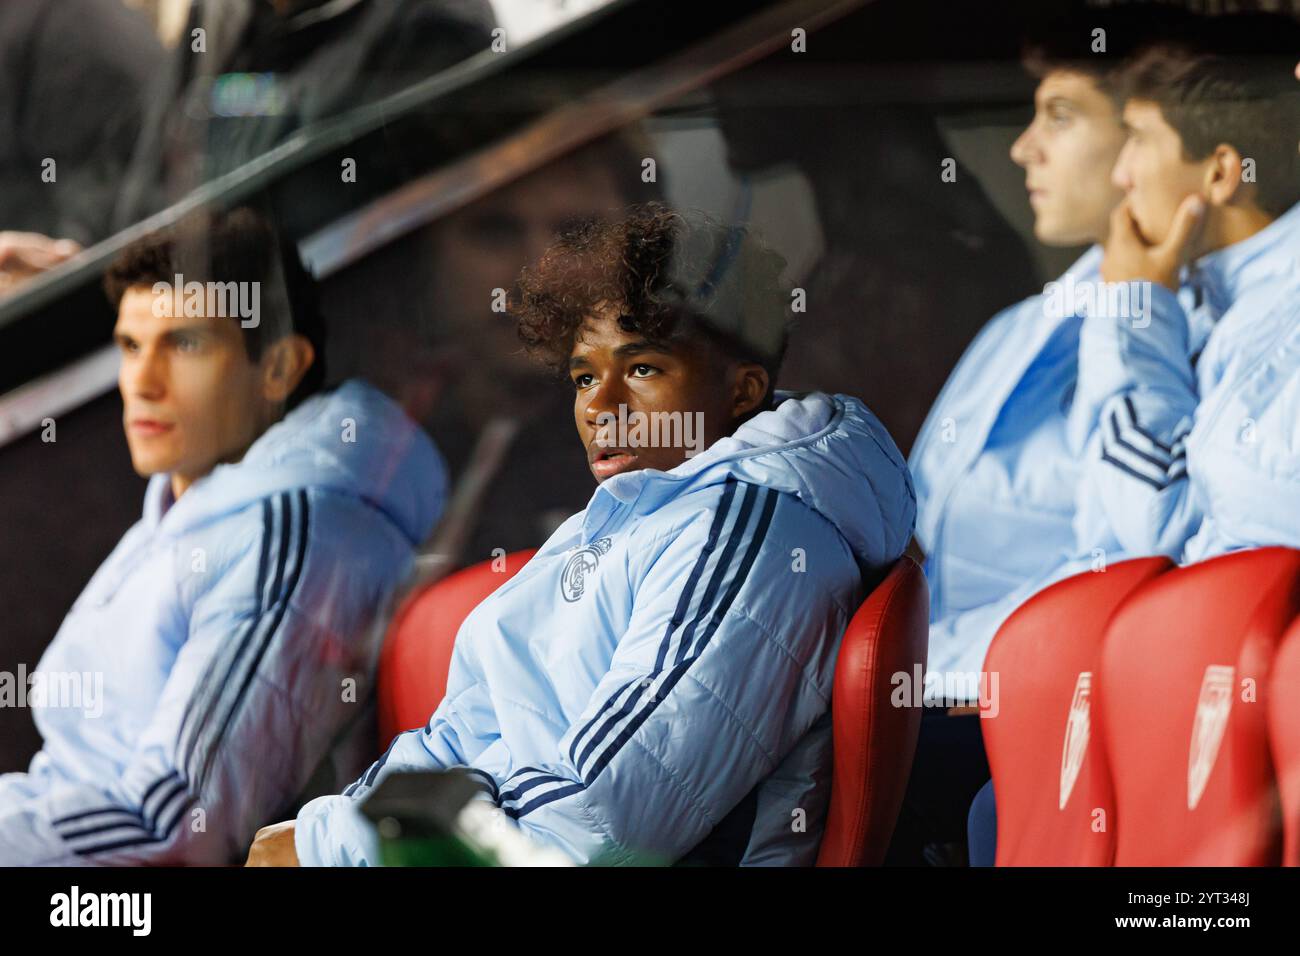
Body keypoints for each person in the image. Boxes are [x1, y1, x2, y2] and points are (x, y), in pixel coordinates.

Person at [246, 203, 916, 866]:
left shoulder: (751, 537)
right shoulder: (629, 517)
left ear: (741, 391)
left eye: (643, 369)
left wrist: (335, 847)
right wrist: (330, 837)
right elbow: (461, 735)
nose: (600, 407)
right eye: (584, 376)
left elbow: (600, 825)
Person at [0, 207, 446, 864]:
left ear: (278, 369)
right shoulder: (198, 506)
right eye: (130, 346)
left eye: (184, 345)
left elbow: (176, 829)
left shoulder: (288, 540)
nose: (142, 383)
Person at [898, 9, 1181, 865]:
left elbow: (1138, 552)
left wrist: (1140, 318)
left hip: (1027, 713)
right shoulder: (1020, 325)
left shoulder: (1189, 331)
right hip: (916, 698)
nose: (1023, 148)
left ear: (1152, 139)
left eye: (1060, 116)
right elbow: (910, 531)